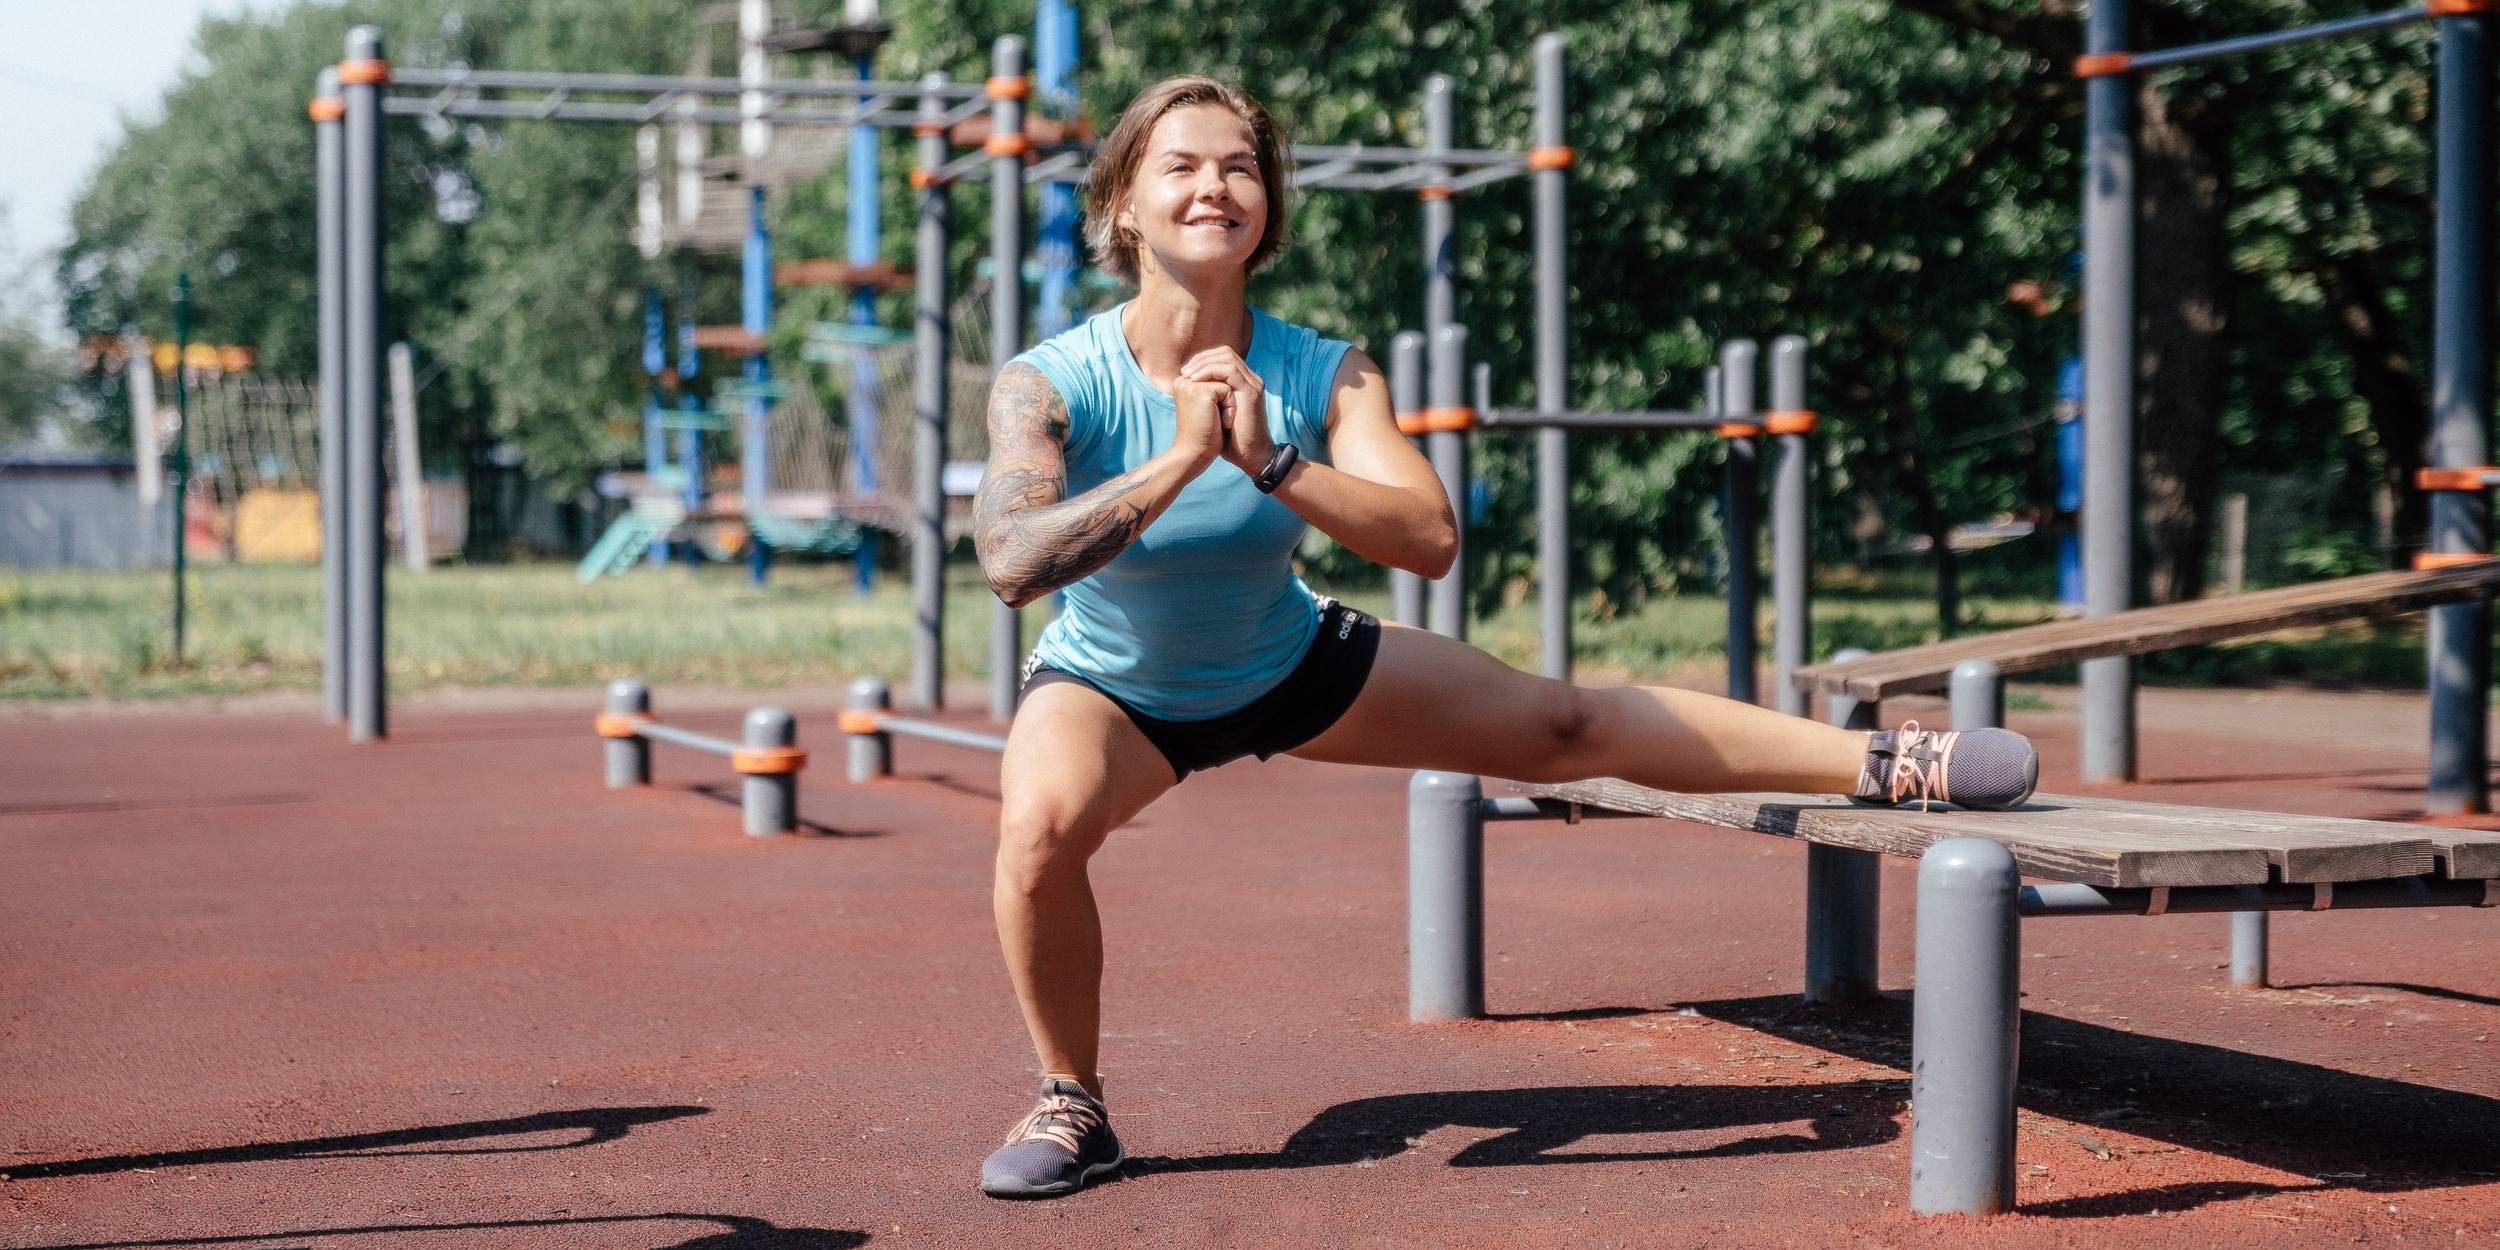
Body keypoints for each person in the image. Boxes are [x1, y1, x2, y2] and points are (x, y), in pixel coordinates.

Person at [970, 75, 2038, 1200]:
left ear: (1267, 209)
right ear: (1124, 204)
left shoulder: (1326, 369)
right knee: (1037, 830)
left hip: (1288, 661)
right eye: (1179, 165)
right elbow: (1009, 560)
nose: (1213, 186)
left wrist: (1270, 460)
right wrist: (1183, 454)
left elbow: (1428, 536)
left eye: (1239, 166)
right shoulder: (1050, 381)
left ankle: (1892, 760)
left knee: (1567, 717)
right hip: (1113, 685)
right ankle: (1070, 1100)